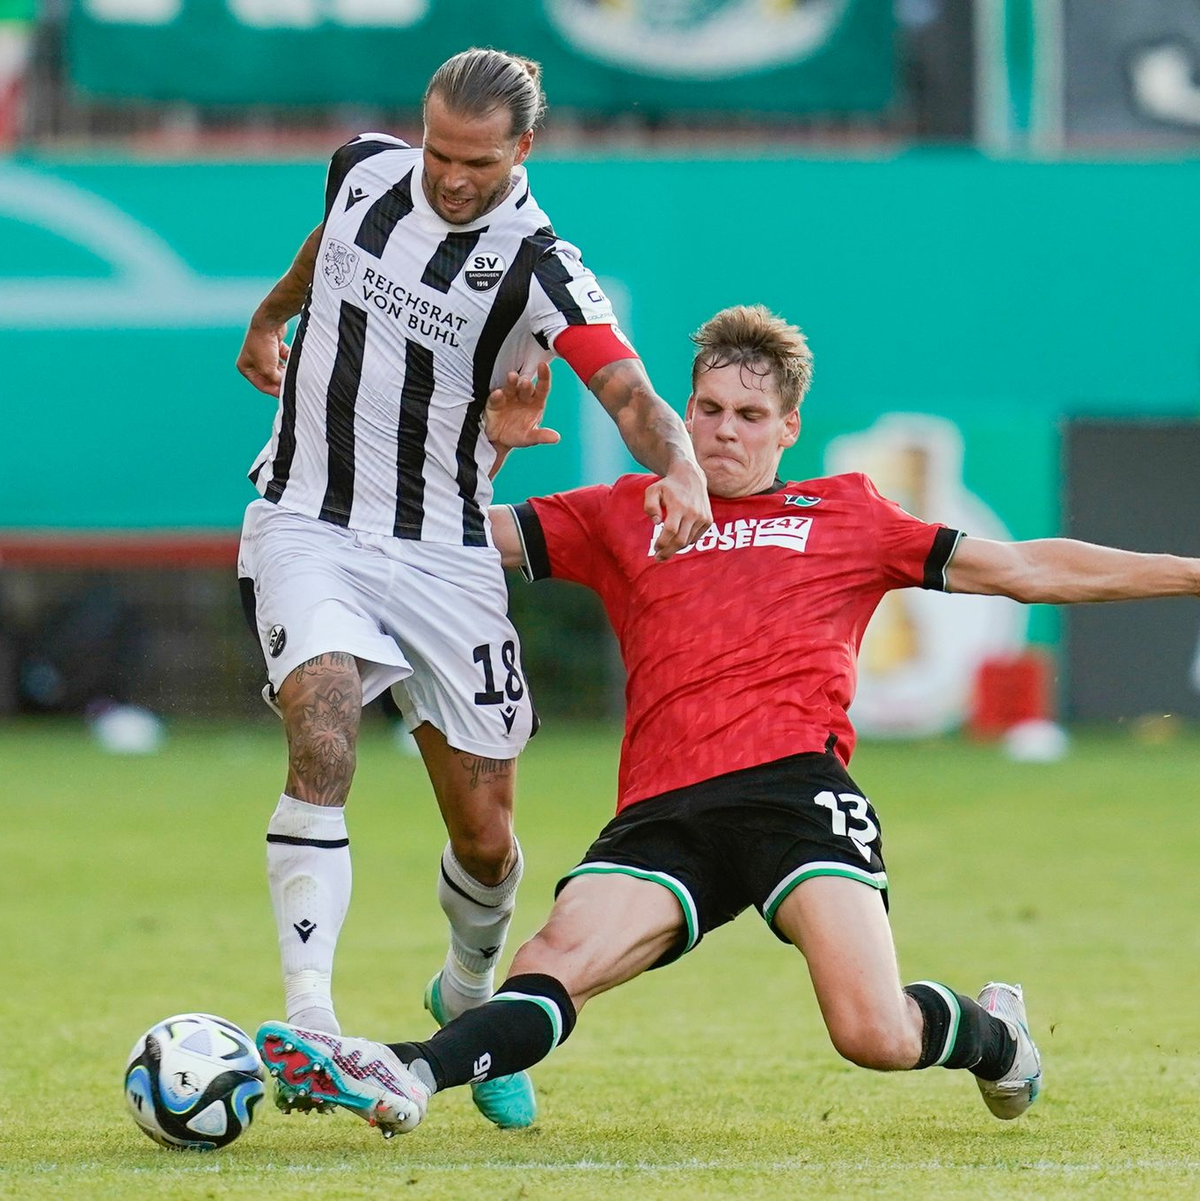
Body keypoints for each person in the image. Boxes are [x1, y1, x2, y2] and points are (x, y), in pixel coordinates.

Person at [252, 304, 1200, 1138]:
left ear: (789, 426)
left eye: (749, 416)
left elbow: (1028, 568)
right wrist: (490, 447)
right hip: (666, 810)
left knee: (870, 1030)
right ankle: (404, 1070)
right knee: (548, 963)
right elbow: (442, 542)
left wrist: (1189, 572)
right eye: (706, 410)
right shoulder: (628, 511)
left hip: (796, 789)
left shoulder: (847, 514)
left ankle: (995, 1034)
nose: (722, 433)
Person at [234, 47, 711, 1130]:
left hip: (446, 549)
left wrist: (678, 462)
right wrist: (271, 315)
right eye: (438, 151)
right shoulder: (363, 170)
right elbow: (329, 251)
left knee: (488, 837)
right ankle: (310, 1020)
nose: (447, 179)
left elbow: (625, 386)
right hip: (309, 518)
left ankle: (467, 996)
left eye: (475, 163)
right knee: (321, 729)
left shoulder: (540, 265)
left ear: (523, 152)